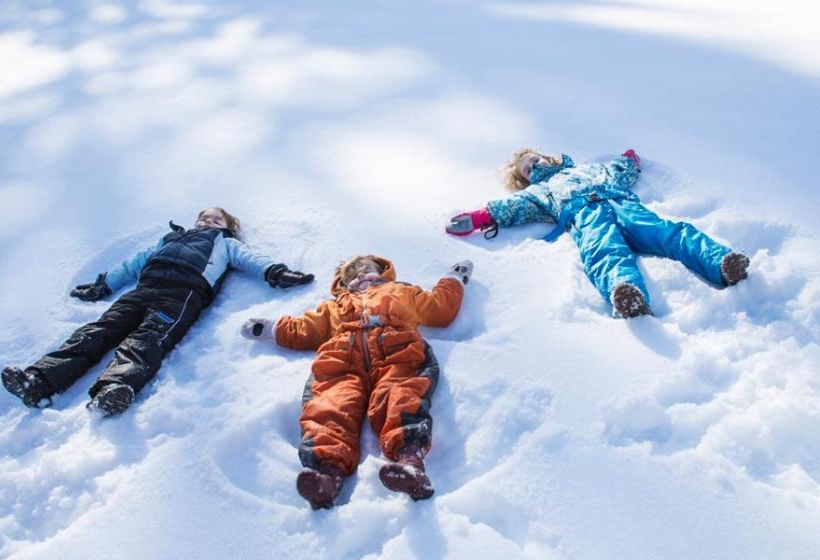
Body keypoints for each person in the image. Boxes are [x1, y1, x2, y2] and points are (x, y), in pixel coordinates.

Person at [1, 207, 314, 416]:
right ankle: (40, 380)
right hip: (143, 290)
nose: (208, 222)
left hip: (181, 296)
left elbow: (250, 258)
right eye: (204, 218)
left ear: (228, 227)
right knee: (97, 331)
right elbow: (135, 262)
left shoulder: (224, 243)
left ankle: (113, 388)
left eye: (216, 220)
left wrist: (276, 272)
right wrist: (104, 285)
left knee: (147, 339)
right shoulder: (171, 239)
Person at [242, 255, 472, 508]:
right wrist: (269, 328)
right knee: (330, 404)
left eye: (367, 270)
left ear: (384, 272)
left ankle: (410, 463)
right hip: (342, 358)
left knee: (400, 394)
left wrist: (453, 279)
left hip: (396, 350)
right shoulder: (335, 307)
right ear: (343, 283)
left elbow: (440, 308)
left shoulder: (401, 291)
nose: (361, 275)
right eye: (353, 274)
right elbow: (304, 329)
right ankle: (326, 476)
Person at [446, 149, 749, 317]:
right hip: (585, 214)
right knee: (605, 253)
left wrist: (627, 161)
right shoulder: (541, 191)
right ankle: (627, 294)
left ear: (546, 156)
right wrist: (480, 216)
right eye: (527, 169)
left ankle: (722, 262)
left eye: (534, 159)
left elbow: (617, 173)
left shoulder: (585, 170)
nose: (534, 166)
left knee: (671, 233)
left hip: (622, 204)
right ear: (525, 180)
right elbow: (513, 207)